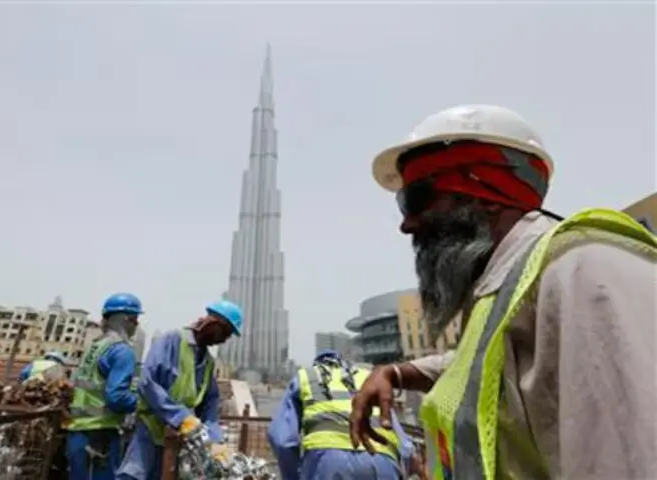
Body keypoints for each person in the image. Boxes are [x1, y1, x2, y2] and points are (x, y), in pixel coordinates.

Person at [350, 104, 657, 479]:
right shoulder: (507, 287)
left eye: (416, 200)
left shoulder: (581, 272)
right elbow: (484, 367)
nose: (407, 225)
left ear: (485, 193)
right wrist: (398, 372)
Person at [117, 300, 243, 480]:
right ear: (213, 324)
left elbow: (210, 405)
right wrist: (180, 417)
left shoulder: (207, 362)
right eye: (225, 333)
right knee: (135, 475)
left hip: (178, 438)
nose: (224, 340)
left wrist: (216, 440)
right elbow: (148, 383)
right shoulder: (172, 340)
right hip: (150, 429)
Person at [268, 349, 414, 480]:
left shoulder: (305, 376)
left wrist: (293, 475)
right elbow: (406, 447)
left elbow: (282, 440)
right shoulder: (369, 378)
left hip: (326, 460)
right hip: (382, 458)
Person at [66, 293, 141, 480]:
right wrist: (143, 402)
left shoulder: (95, 346)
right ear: (125, 319)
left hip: (77, 431)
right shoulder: (122, 351)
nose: (137, 324)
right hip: (100, 435)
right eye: (135, 319)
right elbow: (117, 398)